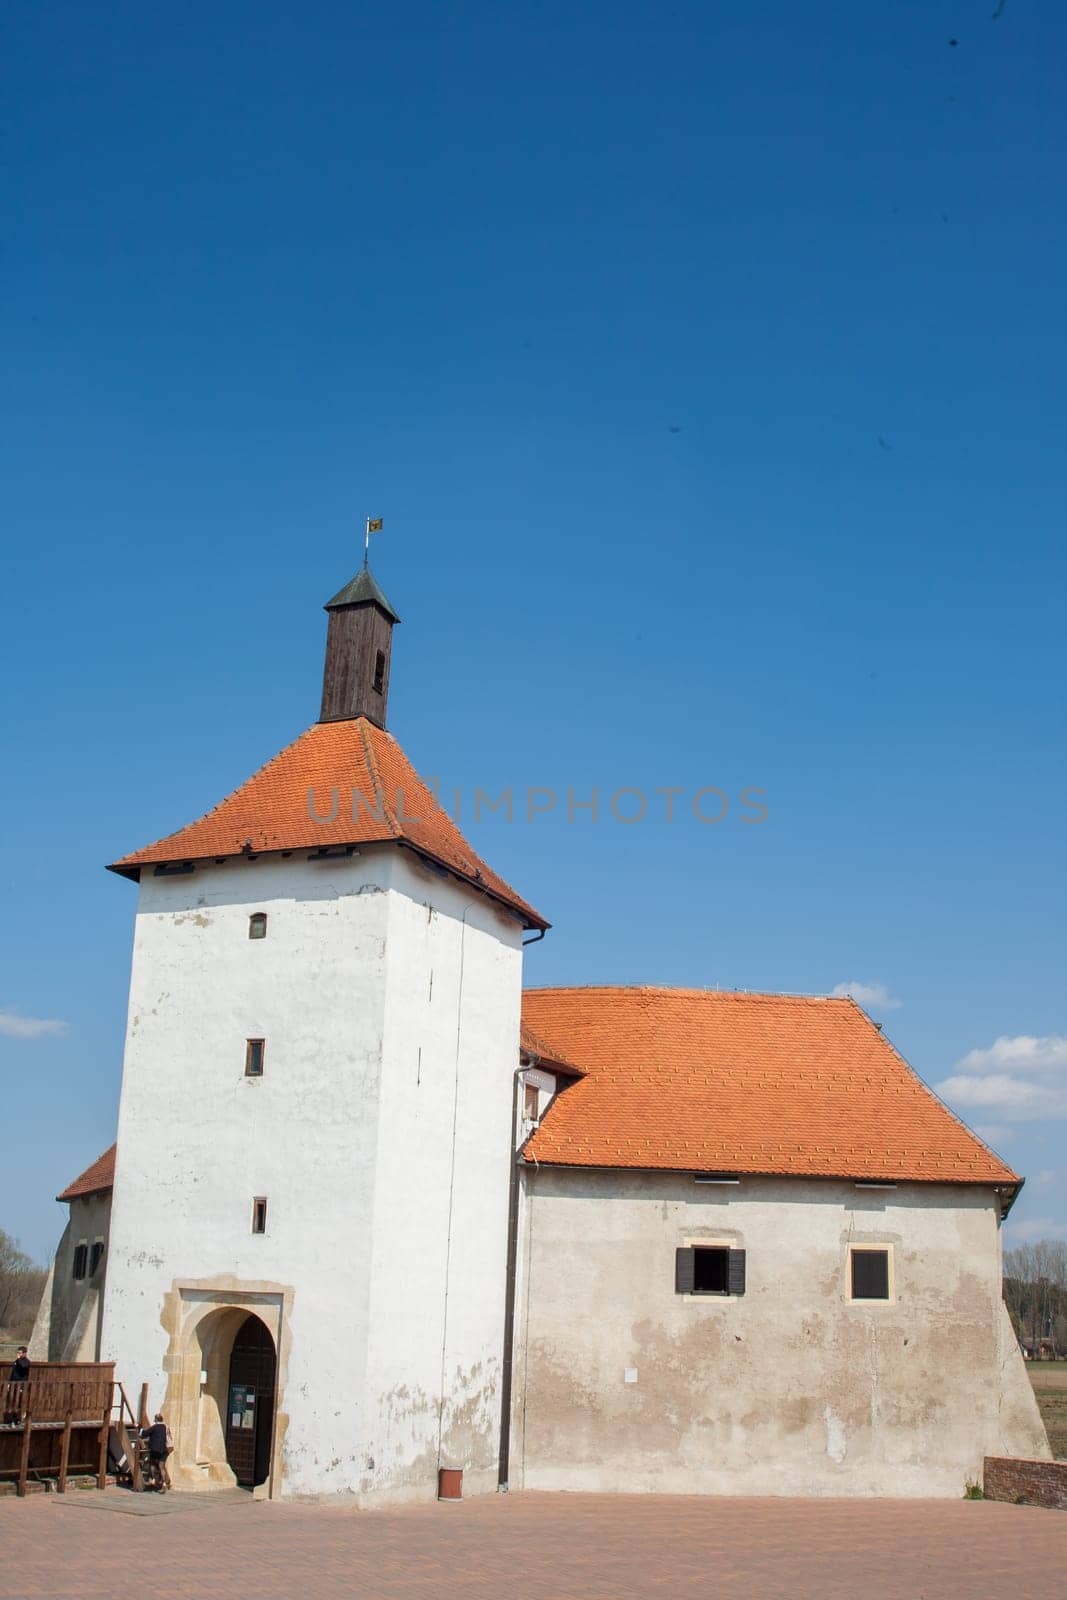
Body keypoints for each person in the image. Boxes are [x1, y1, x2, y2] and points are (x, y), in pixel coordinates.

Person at [145, 1413, 171, 1492]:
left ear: (156, 1419)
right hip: (165, 1450)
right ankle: (164, 1484)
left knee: (152, 1464)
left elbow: (144, 1434)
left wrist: (138, 1428)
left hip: (155, 1449)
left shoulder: (155, 1427)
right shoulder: (166, 1427)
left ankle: (152, 1479)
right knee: (161, 1467)